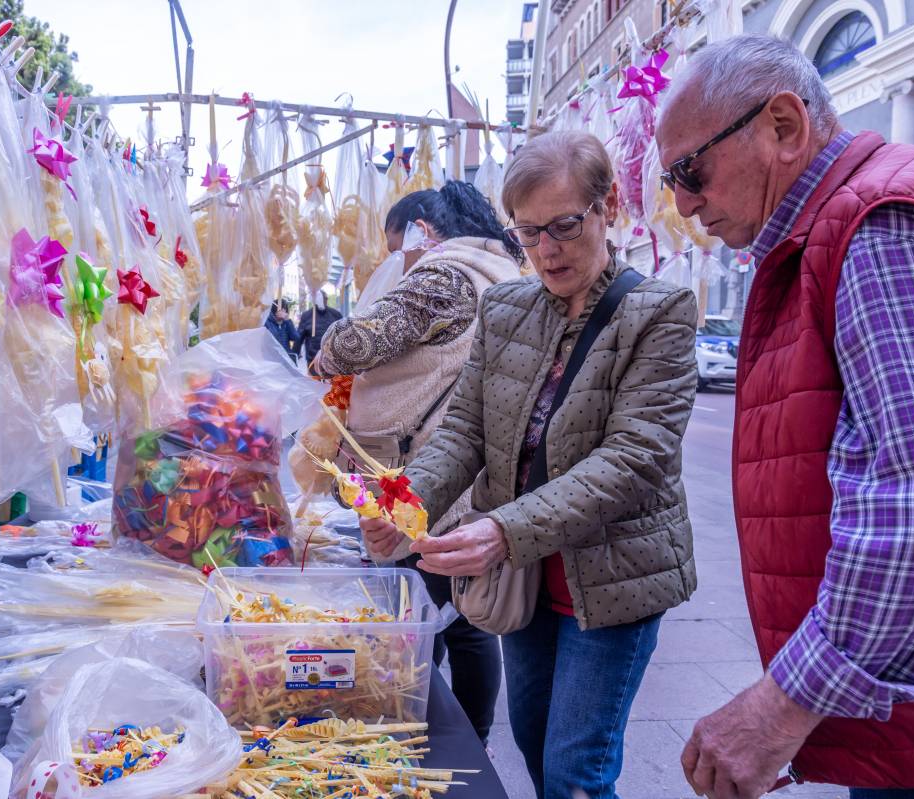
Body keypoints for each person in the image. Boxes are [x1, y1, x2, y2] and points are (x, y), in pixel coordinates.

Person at [656, 35, 914, 798]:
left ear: (783, 127)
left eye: (691, 171)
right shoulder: (825, 229)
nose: (684, 202)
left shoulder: (877, 223)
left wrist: (782, 704)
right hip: (910, 707)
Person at [361, 132, 699, 799]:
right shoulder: (507, 307)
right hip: (524, 580)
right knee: (535, 743)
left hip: (614, 580)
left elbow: (633, 459)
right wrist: (406, 502)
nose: (546, 250)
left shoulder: (658, 312)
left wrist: (501, 530)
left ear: (607, 208)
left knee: (577, 769)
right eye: (529, 232)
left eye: (564, 226)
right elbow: (465, 428)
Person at [313, 180, 523, 742]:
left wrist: (325, 346)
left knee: (422, 611)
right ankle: (467, 736)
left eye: (394, 249)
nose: (394, 263)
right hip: (468, 472)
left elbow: (351, 346)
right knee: (465, 616)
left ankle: (426, 734)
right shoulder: (502, 269)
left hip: (427, 471)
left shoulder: (446, 273)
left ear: (420, 231)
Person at [296, 289, 342, 375]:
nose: (322, 301)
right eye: (319, 299)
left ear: (326, 299)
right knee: (314, 385)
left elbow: (342, 335)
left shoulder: (336, 314)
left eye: (324, 298)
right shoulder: (307, 315)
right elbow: (299, 338)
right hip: (312, 360)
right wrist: (294, 356)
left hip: (333, 361)